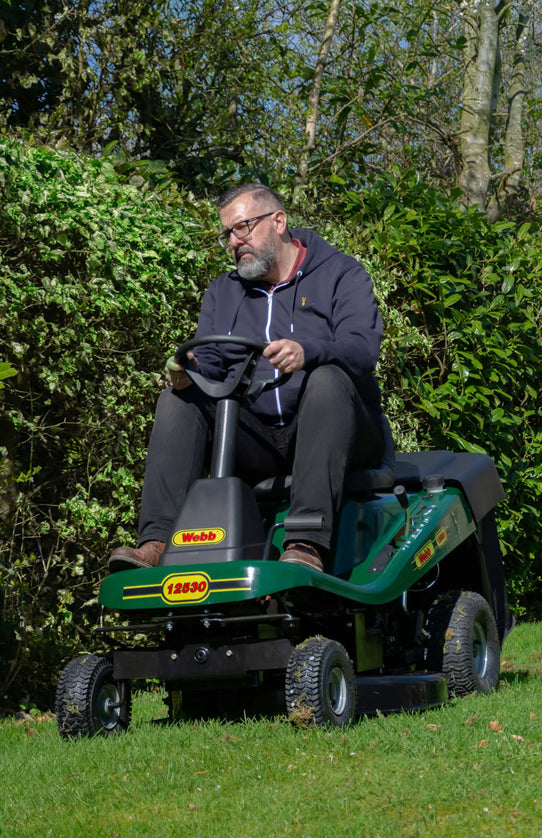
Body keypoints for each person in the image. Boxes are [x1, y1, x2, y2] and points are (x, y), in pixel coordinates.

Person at [108, 183, 385, 573]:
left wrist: (309, 352)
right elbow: (210, 363)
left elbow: (362, 349)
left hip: (343, 431)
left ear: (278, 221)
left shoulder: (342, 274)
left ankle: (306, 543)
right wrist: (190, 373)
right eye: (227, 235)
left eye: (242, 228)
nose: (234, 242)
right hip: (261, 440)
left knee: (326, 379)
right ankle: (156, 543)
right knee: (178, 400)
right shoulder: (225, 292)